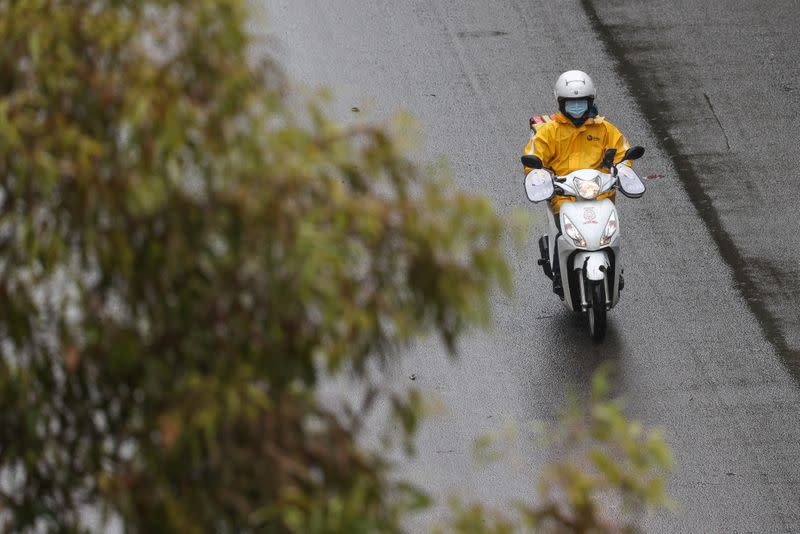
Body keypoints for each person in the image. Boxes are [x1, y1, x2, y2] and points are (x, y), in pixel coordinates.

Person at [522, 70, 632, 295]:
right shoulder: (549, 132)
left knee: (610, 234)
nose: (577, 107)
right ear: (561, 103)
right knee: (565, 234)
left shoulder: (604, 129)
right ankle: (559, 275)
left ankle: (616, 269)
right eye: (571, 103)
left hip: (600, 196)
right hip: (564, 197)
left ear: (590, 101)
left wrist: (622, 168)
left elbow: (624, 152)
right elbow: (534, 157)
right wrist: (538, 174)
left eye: (581, 102)